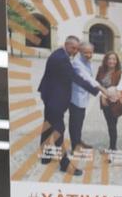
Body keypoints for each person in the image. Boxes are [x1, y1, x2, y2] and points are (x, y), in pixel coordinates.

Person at [36, 36, 100, 177]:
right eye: (73, 48)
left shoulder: (60, 53)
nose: (76, 51)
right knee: (59, 130)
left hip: (50, 95)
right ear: (66, 44)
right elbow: (75, 78)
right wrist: (97, 90)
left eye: (77, 49)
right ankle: (65, 164)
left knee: (48, 126)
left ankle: (45, 156)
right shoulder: (61, 59)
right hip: (55, 100)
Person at [68, 43, 101, 158]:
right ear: (80, 52)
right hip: (75, 98)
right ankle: (74, 148)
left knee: (80, 121)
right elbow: (87, 78)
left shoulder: (88, 62)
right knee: (75, 123)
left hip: (83, 97)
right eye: (85, 52)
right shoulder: (76, 63)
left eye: (91, 52)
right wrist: (103, 91)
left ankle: (78, 142)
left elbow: (91, 78)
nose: (88, 55)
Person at [94, 51, 122, 159]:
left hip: (115, 101)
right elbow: (97, 83)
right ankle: (112, 146)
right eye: (109, 59)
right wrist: (102, 95)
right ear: (106, 60)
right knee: (109, 123)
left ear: (117, 61)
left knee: (113, 124)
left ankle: (113, 147)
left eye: (114, 59)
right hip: (105, 101)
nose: (112, 61)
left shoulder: (119, 72)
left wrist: (113, 95)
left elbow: (121, 87)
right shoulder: (101, 69)